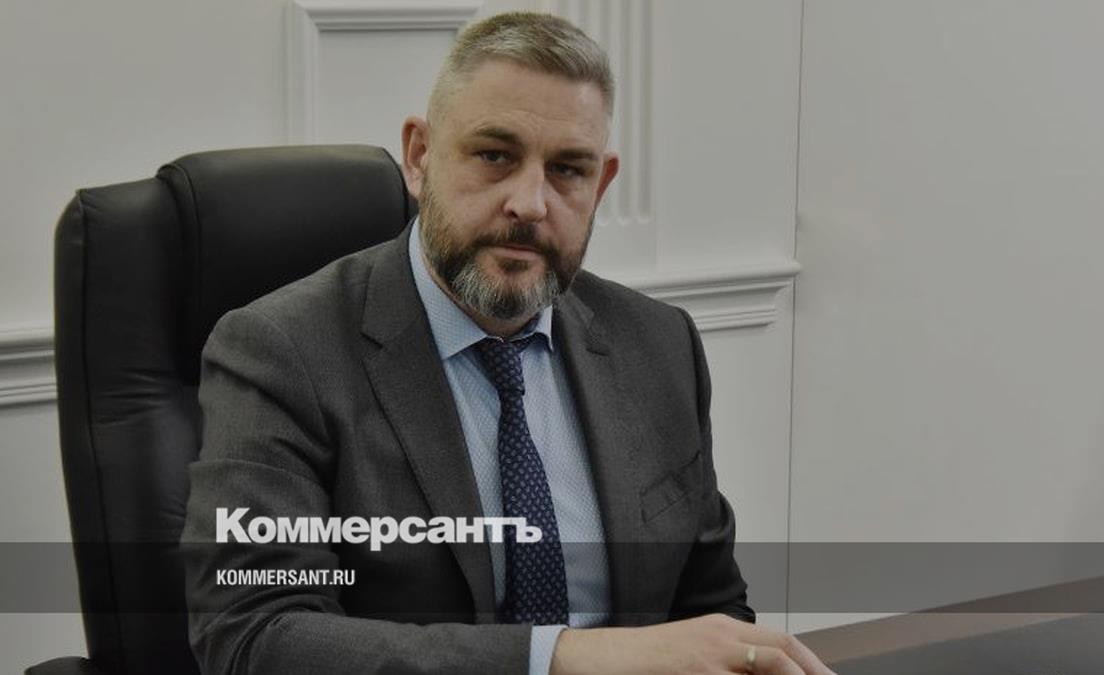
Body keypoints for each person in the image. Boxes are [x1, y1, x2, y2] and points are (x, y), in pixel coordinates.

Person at [181, 11, 834, 675]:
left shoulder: (659, 344)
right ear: (419, 156)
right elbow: (255, 636)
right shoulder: (281, 352)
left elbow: (712, 607)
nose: (530, 203)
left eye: (568, 170)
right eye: (495, 156)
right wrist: (558, 658)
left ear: (601, 184)